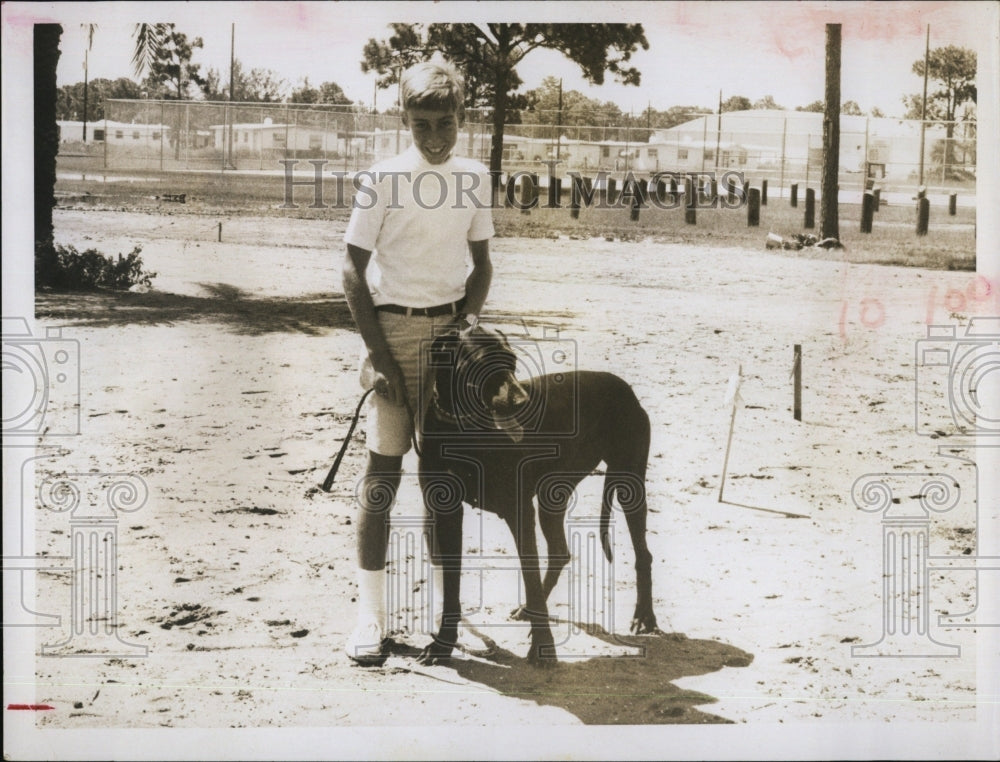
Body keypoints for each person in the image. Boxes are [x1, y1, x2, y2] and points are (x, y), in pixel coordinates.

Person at [341, 59, 494, 664]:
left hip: (451, 340)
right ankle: (369, 617)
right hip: (393, 335)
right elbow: (351, 270)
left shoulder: (474, 178)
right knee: (383, 478)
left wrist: (466, 329)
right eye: (423, 124)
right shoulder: (382, 178)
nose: (434, 138)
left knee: (443, 483)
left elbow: (482, 268)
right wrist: (379, 358)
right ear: (403, 118)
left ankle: (443, 617)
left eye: (446, 124)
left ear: (462, 119)